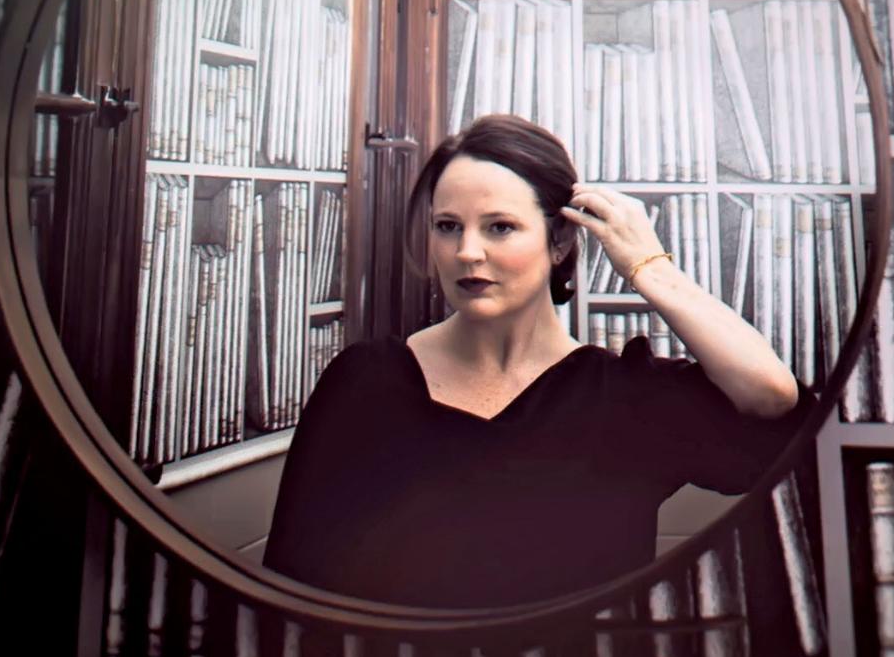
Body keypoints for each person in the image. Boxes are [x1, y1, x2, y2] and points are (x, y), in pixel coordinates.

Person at [263, 115, 812, 609]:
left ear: (560, 240)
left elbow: (773, 398)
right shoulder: (364, 381)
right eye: (447, 226)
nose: (467, 252)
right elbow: (294, 584)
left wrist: (649, 268)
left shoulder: (627, 398)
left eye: (499, 226)